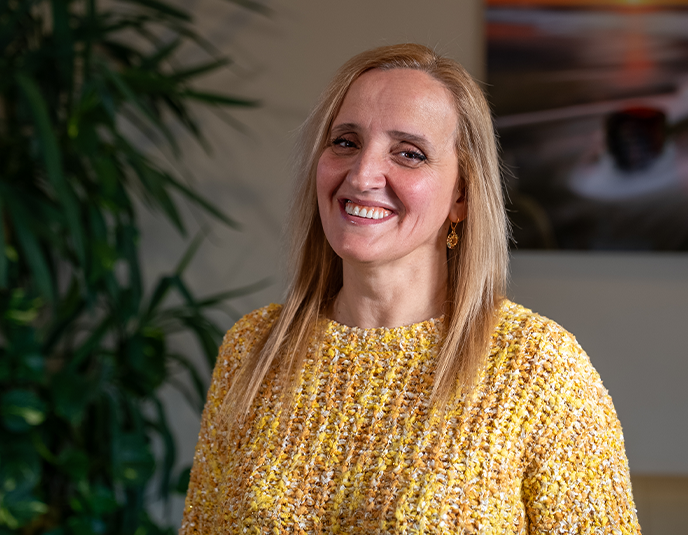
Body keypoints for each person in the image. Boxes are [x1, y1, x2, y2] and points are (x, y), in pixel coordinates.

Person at [180, 43, 641, 535]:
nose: (362, 175)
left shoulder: (537, 367)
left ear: (461, 194)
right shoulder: (253, 349)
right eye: (345, 142)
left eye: (409, 153)